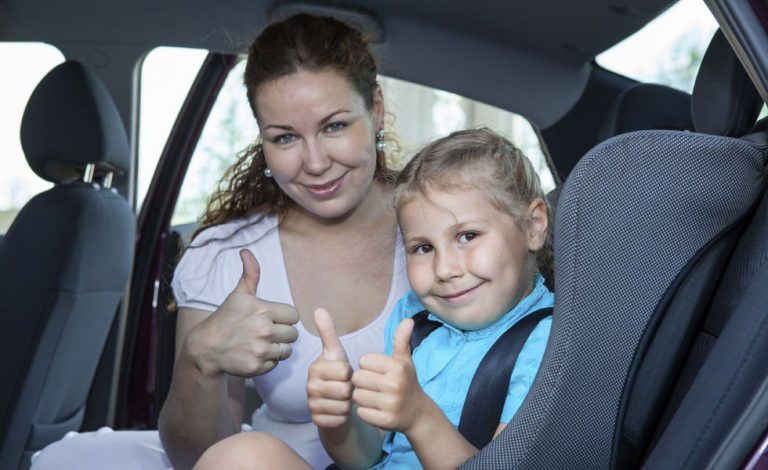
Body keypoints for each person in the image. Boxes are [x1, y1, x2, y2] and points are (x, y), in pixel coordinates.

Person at [31, 13, 409, 470]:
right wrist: (200, 360)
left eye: (334, 127)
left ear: (376, 109)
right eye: (285, 137)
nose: (314, 162)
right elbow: (200, 459)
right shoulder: (227, 255)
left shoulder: (443, 222)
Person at [194, 127, 554, 469]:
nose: (444, 269)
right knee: (240, 455)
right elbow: (362, 457)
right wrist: (338, 419)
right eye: (423, 247)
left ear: (533, 225)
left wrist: (419, 417)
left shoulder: (550, 345)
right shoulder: (414, 321)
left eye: (468, 236)